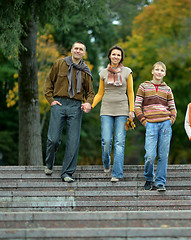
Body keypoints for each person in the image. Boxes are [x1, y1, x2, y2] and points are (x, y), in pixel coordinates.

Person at [44, 41, 95, 183]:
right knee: (53, 139)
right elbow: (48, 83)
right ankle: (49, 163)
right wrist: (51, 100)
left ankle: (67, 173)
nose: (78, 51)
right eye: (76, 48)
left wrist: (88, 103)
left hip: (75, 106)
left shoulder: (85, 70)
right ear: (71, 50)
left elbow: (90, 92)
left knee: (73, 141)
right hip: (59, 103)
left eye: (81, 49)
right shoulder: (59, 64)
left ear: (84, 53)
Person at [91, 45, 135, 182]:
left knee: (119, 142)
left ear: (121, 57)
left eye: (118, 55)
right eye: (114, 54)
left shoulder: (127, 72)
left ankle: (116, 173)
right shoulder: (103, 73)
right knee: (106, 141)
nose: (116, 57)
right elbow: (100, 93)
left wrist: (131, 110)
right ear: (109, 56)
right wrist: (91, 105)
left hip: (122, 109)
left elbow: (130, 92)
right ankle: (106, 162)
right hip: (106, 110)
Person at [135, 61, 177, 192]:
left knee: (163, 155)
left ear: (164, 73)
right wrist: (144, 121)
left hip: (165, 123)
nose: (159, 72)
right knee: (150, 155)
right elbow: (137, 106)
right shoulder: (144, 86)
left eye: (162, 70)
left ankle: (160, 182)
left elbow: (173, 108)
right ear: (152, 71)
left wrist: (171, 120)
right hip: (150, 124)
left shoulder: (167, 89)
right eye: (157, 70)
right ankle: (148, 178)